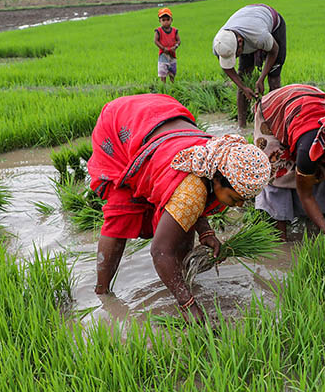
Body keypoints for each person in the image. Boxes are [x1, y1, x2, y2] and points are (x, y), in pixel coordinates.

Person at [87, 93, 271, 322]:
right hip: (123, 126)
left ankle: (182, 280)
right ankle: (102, 294)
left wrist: (206, 232)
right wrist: (188, 305)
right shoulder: (194, 188)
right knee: (123, 211)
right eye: (235, 198)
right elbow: (160, 252)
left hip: (159, 116)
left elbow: (195, 200)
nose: (240, 204)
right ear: (217, 178)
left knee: (182, 221)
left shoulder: (217, 155)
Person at [253, 85, 325, 240]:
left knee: (322, 173)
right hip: (275, 108)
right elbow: (305, 195)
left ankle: (319, 221)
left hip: (310, 105)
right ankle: (280, 237)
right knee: (279, 173)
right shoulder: (307, 150)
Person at [212, 3, 286, 128]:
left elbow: (274, 51)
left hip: (272, 24)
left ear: (240, 43)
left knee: (273, 78)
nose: (235, 58)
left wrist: (261, 79)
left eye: (235, 55)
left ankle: (275, 124)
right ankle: (242, 126)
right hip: (246, 21)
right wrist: (243, 87)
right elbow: (227, 68)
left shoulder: (259, 36)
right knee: (243, 76)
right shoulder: (220, 43)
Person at [154, 7, 180, 84]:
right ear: (160, 21)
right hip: (163, 54)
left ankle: (173, 84)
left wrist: (175, 46)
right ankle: (163, 85)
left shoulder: (174, 31)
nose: (166, 22)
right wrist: (163, 48)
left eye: (168, 20)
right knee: (163, 71)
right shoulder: (158, 31)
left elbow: (178, 40)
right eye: (163, 20)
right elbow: (156, 41)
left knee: (172, 70)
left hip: (172, 53)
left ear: (171, 20)